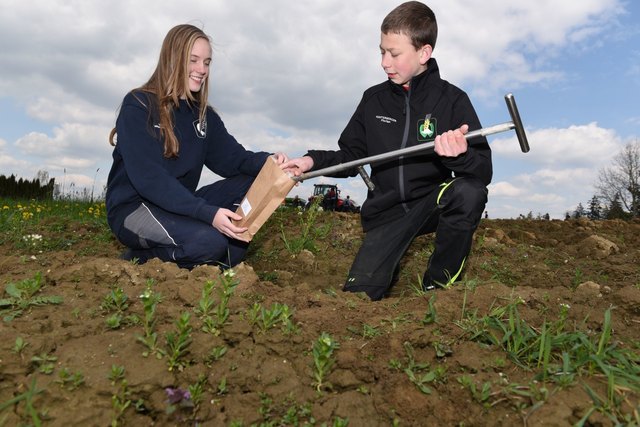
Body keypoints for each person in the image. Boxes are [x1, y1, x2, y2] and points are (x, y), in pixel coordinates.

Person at [282, 1, 492, 300]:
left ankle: (438, 288)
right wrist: (311, 161)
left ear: (424, 52)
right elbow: (351, 156)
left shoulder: (452, 100)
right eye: (382, 51)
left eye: (394, 54)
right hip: (387, 215)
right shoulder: (374, 100)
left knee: (468, 191)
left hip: (429, 205)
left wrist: (461, 155)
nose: (384, 62)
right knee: (358, 298)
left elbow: (483, 171)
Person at [106, 24, 288, 269]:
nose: (202, 70)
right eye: (193, 60)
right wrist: (208, 214)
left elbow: (233, 159)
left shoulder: (204, 116)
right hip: (135, 208)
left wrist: (272, 163)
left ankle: (215, 260)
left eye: (207, 62)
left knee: (253, 181)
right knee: (208, 243)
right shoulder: (139, 105)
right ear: (173, 58)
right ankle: (139, 258)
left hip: (178, 204)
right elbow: (150, 179)